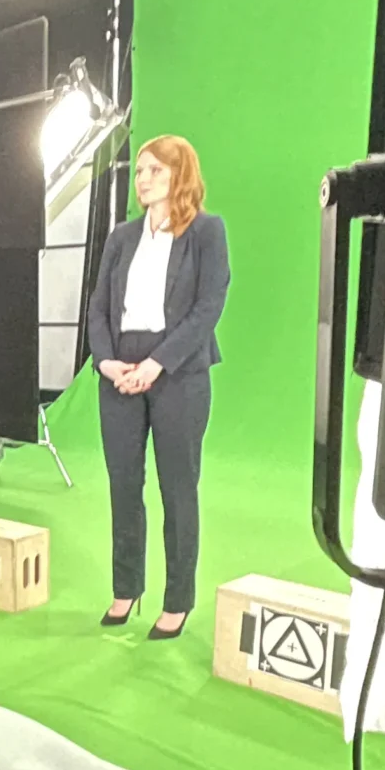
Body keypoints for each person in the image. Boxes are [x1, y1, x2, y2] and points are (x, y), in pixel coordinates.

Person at [85, 135, 231, 641]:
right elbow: (98, 307)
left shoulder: (207, 231)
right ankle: (126, 589)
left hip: (179, 374)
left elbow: (208, 306)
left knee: (177, 488)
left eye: (155, 170)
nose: (142, 179)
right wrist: (106, 362)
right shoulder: (121, 237)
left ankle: (177, 600)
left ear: (179, 175)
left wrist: (157, 363)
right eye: (140, 170)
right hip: (118, 373)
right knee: (124, 486)